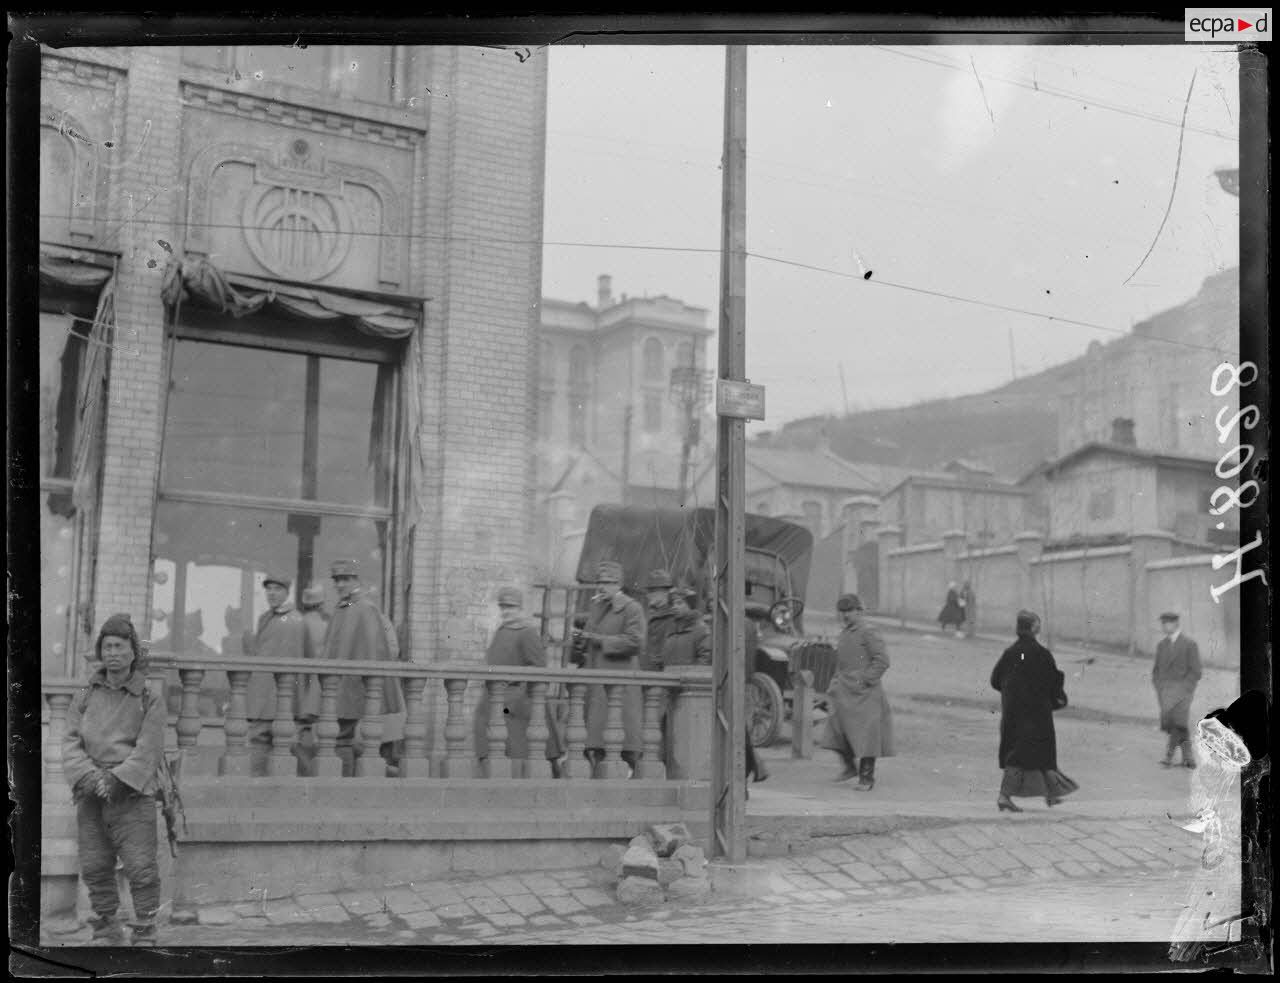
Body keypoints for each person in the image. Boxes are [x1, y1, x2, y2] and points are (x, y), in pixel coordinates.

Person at [62, 614, 166, 946]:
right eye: (107, 646)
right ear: (100, 651)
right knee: (94, 864)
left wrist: (119, 780)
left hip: (132, 795)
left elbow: (149, 748)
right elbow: (69, 740)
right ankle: (106, 926)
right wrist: (91, 777)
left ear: (134, 652)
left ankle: (145, 930)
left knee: (141, 867)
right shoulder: (86, 694)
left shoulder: (149, 697)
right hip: (92, 791)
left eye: (120, 646)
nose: (113, 653)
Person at [319, 559, 403, 776]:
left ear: (357, 580)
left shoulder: (365, 608)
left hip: (353, 685)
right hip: (339, 683)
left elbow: (374, 652)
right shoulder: (344, 607)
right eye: (337, 580)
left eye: (345, 579)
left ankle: (344, 783)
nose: (340, 585)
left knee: (342, 737)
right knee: (339, 737)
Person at [990, 610, 1078, 812]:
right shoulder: (1042, 654)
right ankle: (1005, 796)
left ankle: (1052, 794)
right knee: (1033, 754)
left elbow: (995, 681)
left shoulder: (1010, 653)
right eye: (1038, 624)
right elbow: (1053, 683)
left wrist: (1011, 694)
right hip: (1037, 715)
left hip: (1013, 714)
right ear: (1033, 628)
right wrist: (1056, 698)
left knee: (1021, 752)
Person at [820, 593, 894, 791]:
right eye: (842, 612)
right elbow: (841, 663)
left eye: (849, 611)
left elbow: (882, 660)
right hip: (844, 690)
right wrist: (834, 685)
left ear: (859, 611)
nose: (845, 616)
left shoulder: (868, 631)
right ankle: (849, 767)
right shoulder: (845, 633)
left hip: (866, 694)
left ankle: (866, 779)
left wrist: (866, 680)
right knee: (836, 730)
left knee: (868, 736)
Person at [473, 587, 548, 775]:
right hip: (493, 695)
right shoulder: (503, 629)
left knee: (514, 743)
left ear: (520, 609)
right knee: (483, 731)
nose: (506, 611)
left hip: (515, 698)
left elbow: (539, 668)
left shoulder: (527, 632)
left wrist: (519, 696)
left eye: (511, 607)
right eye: (503, 607)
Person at [581, 560, 646, 776]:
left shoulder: (632, 608)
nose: (601, 586)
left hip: (620, 683)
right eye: (599, 581)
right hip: (598, 680)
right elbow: (592, 635)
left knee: (623, 735)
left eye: (608, 582)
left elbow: (635, 642)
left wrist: (601, 641)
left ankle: (631, 774)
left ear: (619, 584)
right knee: (597, 736)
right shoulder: (598, 607)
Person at [244, 572, 310, 777]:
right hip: (262, 696)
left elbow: (300, 660)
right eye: (268, 589)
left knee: (284, 748)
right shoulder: (265, 618)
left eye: (277, 589)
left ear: (287, 592)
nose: (271, 593)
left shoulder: (295, 621)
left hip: (281, 698)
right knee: (260, 744)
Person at [1152, 612, 1203, 769]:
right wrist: (1159, 687)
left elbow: (1196, 671)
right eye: (1163, 623)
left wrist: (1185, 689)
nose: (1164, 626)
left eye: (1167, 623)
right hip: (1165, 692)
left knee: (1177, 722)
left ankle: (1169, 756)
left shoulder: (1189, 644)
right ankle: (1188, 758)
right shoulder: (1161, 645)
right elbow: (1156, 670)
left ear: (1175, 624)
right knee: (1172, 723)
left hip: (1183, 692)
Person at [293, 583, 329, 776]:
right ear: (321, 604)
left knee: (300, 733)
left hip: (301, 683)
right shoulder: (325, 625)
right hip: (319, 684)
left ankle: (305, 772)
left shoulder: (298, 622)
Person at [643, 569, 676, 672]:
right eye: (648, 591)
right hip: (648, 672)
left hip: (663, 674)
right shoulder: (650, 614)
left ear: (665, 592)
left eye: (652, 591)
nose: (648, 595)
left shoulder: (672, 617)